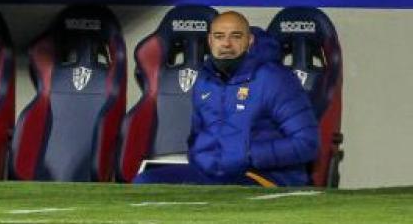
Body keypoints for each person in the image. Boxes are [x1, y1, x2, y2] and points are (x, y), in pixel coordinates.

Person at [134, 11, 319, 186]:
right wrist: (201, 156)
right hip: (212, 174)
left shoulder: (274, 78)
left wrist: (249, 155)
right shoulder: (204, 79)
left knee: (216, 197)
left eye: (236, 36)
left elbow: (307, 143)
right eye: (219, 36)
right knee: (146, 182)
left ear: (250, 41)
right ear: (209, 41)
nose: (226, 44)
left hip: (264, 176)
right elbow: (196, 135)